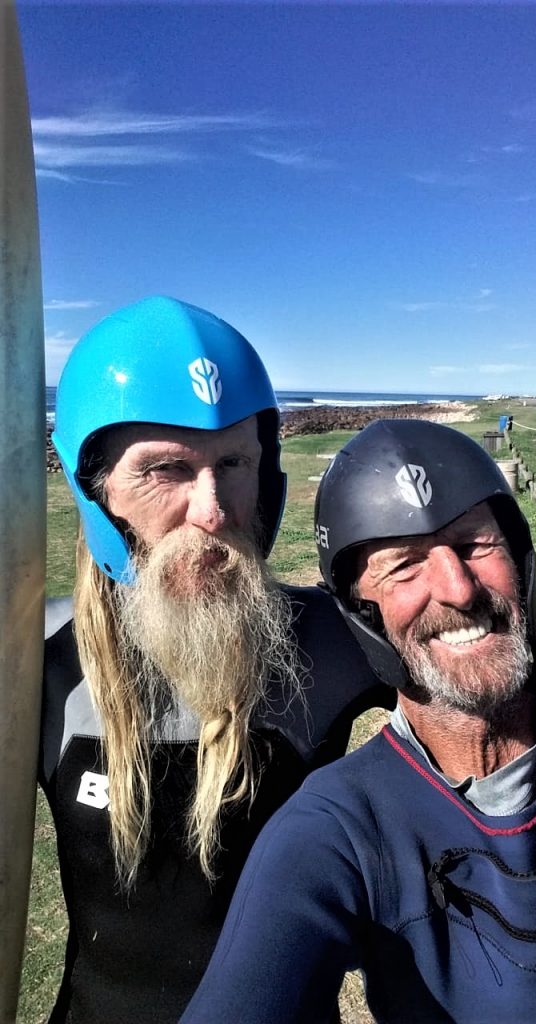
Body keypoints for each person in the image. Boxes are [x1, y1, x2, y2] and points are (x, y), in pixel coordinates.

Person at [40, 296, 386, 1024]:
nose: (214, 509)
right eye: (166, 469)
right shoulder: (33, 666)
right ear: (96, 489)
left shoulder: (333, 639)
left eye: (234, 463)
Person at [181, 419, 536, 1024]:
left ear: (519, 557)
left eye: (475, 544)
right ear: (362, 614)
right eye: (405, 565)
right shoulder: (341, 828)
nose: (459, 589)